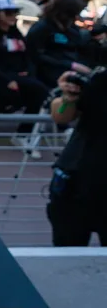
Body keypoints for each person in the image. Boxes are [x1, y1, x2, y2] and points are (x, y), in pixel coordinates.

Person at [0, 0, 50, 157]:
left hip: (18, 75)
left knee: (40, 91)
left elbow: (28, 56)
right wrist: (7, 80)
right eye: (8, 13)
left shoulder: (16, 33)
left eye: (14, 12)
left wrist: (28, 72)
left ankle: (22, 134)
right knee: (0, 93)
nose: (12, 16)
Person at [46, 69, 107, 247]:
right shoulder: (99, 78)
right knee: (67, 253)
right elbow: (61, 115)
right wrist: (68, 97)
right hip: (76, 184)